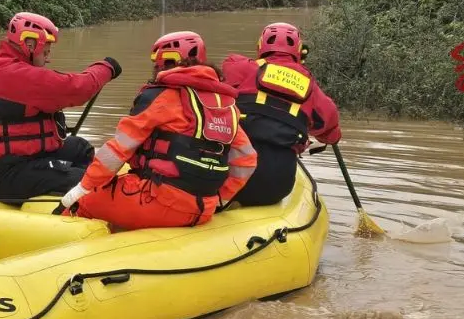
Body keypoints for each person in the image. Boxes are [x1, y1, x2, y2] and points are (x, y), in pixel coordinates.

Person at [60, 32, 257, 230]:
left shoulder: (162, 96)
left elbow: (117, 151)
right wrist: (220, 200)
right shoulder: (227, 106)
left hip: (160, 202)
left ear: (164, 62)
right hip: (204, 209)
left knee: (82, 204)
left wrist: (81, 189)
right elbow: (247, 160)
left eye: (157, 64)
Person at [0, 11, 121, 200]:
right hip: (5, 175)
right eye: (47, 48)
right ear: (30, 43)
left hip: (4, 162)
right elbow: (77, 88)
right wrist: (106, 67)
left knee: (79, 148)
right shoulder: (16, 76)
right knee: (90, 181)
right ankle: (84, 193)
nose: (48, 54)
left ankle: (73, 195)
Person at [222, 22, 341, 207]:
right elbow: (330, 125)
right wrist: (332, 136)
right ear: (299, 52)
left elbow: (228, 67)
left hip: (230, 179)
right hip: (276, 185)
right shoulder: (310, 87)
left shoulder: (241, 68)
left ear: (260, 46)